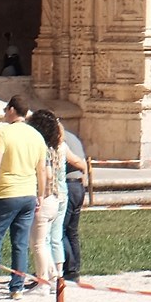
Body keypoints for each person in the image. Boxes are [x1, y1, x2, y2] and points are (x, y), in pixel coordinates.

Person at [0, 96, 50, 298]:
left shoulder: (3, 133)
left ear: (11, 110)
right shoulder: (37, 136)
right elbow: (42, 169)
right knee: (20, 243)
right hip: (28, 193)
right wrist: (40, 194)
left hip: (7, 192)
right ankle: (17, 287)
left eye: (5, 109)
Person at [29, 108, 71, 286]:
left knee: (39, 243)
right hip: (56, 196)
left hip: (46, 198)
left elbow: (47, 174)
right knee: (50, 239)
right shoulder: (56, 147)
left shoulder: (43, 149)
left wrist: (40, 194)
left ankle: (45, 280)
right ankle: (54, 275)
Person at [59, 118, 93, 277]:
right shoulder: (72, 136)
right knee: (71, 231)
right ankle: (74, 268)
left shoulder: (61, 140)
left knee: (61, 230)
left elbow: (77, 161)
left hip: (69, 185)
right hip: (78, 185)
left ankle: (70, 268)